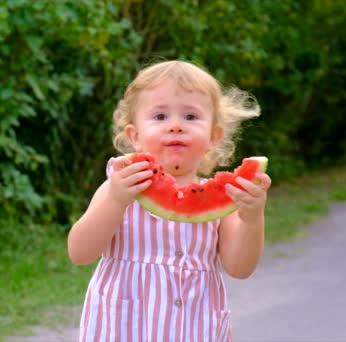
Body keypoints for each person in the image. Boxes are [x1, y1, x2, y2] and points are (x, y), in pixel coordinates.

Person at [67, 60, 272, 341]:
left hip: (197, 330)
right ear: (134, 136)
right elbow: (79, 253)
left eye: (190, 117)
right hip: (124, 330)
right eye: (160, 117)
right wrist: (115, 200)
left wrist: (252, 218)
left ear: (213, 137)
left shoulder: (223, 201)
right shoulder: (120, 185)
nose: (176, 126)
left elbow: (240, 268)